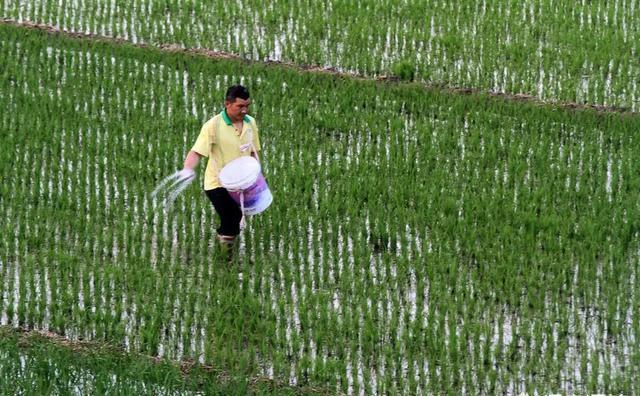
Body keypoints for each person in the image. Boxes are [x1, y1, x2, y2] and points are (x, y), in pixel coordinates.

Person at [181, 85, 261, 255]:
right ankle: (226, 256)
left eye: (247, 105)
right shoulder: (213, 126)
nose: (245, 110)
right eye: (240, 106)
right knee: (231, 216)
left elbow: (253, 151)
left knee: (236, 217)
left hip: (241, 182)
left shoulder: (250, 123)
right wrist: (187, 170)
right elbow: (196, 152)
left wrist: (256, 175)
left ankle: (226, 248)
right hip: (217, 183)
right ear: (227, 104)